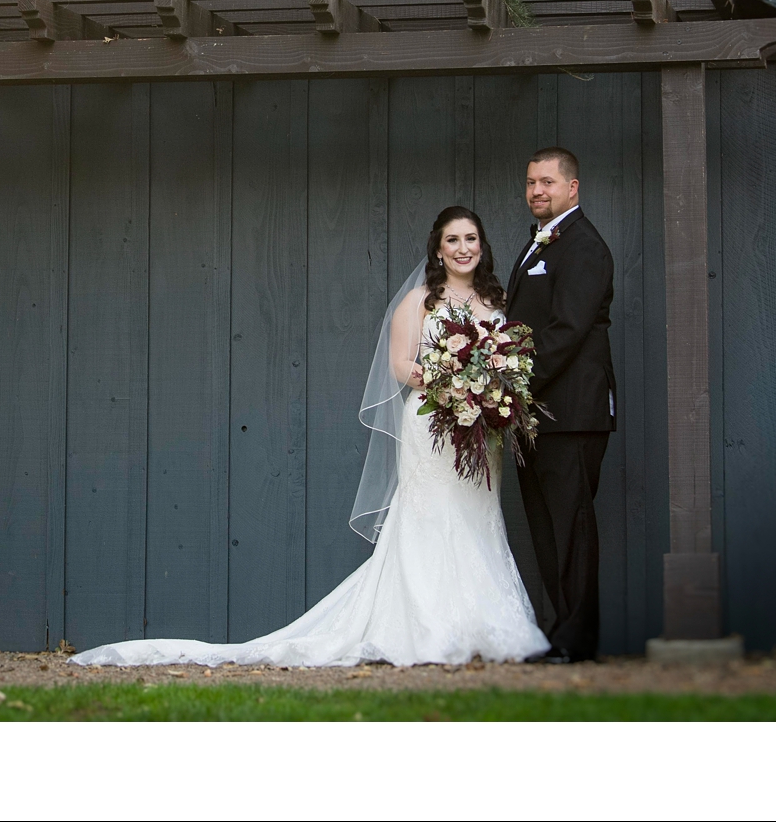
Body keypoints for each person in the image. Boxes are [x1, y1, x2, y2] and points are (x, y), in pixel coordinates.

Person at [69, 206, 549, 668]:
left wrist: (487, 389)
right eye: (453, 240)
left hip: (481, 431)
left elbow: (508, 360)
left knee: (477, 516)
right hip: (433, 425)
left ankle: (481, 621)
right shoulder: (419, 300)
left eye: (471, 239)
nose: (463, 248)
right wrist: (451, 380)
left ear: (482, 246)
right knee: (433, 518)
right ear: (438, 249)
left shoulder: (496, 302)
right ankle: (426, 625)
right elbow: (400, 365)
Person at [504, 147, 617, 664]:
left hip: (572, 413)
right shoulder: (540, 242)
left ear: (573, 187)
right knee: (546, 529)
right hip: (537, 417)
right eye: (531, 182)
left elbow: (566, 331)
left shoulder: (584, 247)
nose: (537, 191)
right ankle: (561, 632)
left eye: (547, 181)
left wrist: (511, 382)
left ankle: (578, 639)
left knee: (570, 527)